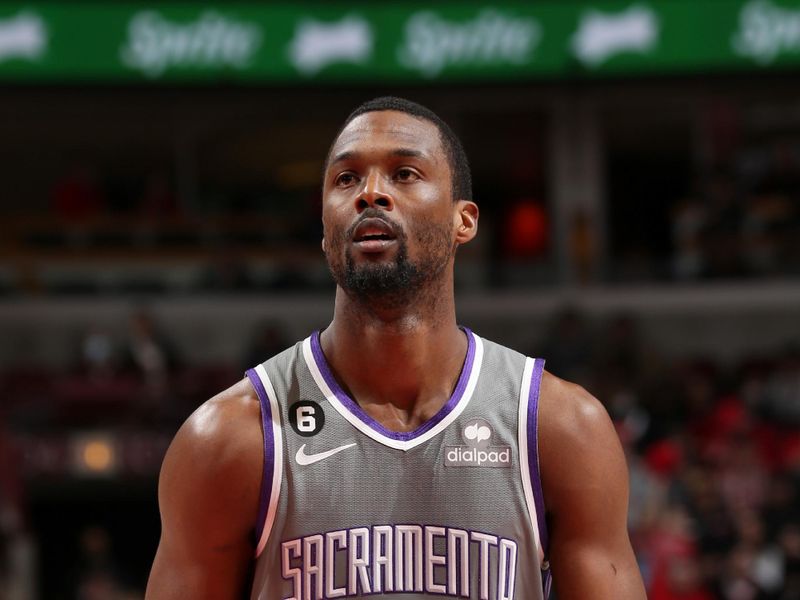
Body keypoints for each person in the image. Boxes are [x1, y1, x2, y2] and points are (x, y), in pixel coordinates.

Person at [145, 97, 646, 600]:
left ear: (463, 221)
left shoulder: (559, 428)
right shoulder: (228, 438)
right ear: (324, 230)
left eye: (404, 173)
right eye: (346, 179)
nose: (370, 194)